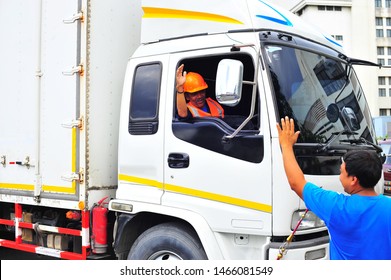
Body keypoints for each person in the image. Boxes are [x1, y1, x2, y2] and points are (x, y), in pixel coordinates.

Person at [276, 116, 391, 260]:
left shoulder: (336, 207)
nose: (339, 177)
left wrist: (286, 145)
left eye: (342, 172)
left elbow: (296, 183)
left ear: (354, 180)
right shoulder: (388, 206)